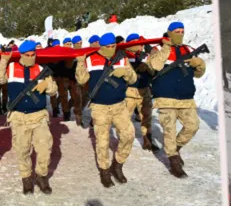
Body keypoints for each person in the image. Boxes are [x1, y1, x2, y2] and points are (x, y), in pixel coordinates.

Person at [0, 41, 56, 195]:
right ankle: (26, 178)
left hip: (39, 116)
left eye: (33, 55)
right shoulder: (11, 67)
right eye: (27, 55)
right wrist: (3, 61)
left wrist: (47, 85)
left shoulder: (41, 70)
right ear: (21, 54)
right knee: (22, 150)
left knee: (45, 149)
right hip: (19, 117)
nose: (30, 57)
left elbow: (53, 91)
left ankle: (41, 176)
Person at [75, 34, 137, 187]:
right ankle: (104, 171)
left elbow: (133, 79)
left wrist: (126, 72)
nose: (110, 49)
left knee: (128, 135)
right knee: (102, 142)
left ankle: (118, 165)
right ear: (101, 47)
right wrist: (81, 63)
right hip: (99, 107)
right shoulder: (90, 58)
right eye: (107, 47)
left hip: (119, 105)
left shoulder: (122, 58)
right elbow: (81, 80)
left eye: (113, 46)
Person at [146, 21, 205, 178]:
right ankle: (173, 161)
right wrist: (166, 47)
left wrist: (200, 64)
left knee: (193, 126)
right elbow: (155, 66)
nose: (180, 34)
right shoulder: (157, 49)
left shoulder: (188, 50)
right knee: (169, 130)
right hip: (165, 97)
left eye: (182, 31)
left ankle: (176, 148)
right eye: (176, 31)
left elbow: (198, 74)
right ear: (169, 32)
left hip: (186, 98)